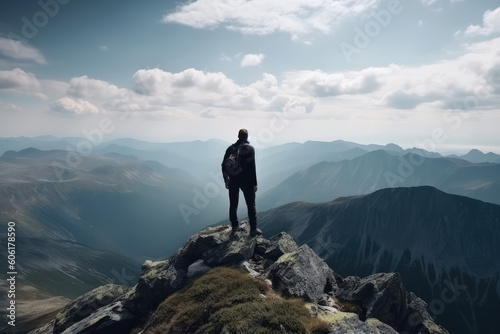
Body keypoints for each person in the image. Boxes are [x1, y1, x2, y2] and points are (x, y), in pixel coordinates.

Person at [222, 129, 259, 236]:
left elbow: (223, 165)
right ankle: (253, 228)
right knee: (251, 204)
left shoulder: (230, 149)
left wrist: (226, 180)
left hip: (233, 179)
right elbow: (252, 167)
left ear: (238, 136)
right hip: (247, 181)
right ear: (247, 137)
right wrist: (255, 183)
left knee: (233, 204)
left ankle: (235, 227)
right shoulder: (250, 149)